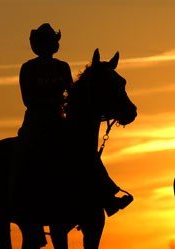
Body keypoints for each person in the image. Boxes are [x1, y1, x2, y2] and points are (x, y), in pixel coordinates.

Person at [9, 23, 132, 220]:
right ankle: (17, 202)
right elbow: (28, 99)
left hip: (59, 122)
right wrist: (53, 101)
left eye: (50, 42)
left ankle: (107, 196)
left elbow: (71, 93)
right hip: (36, 123)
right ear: (37, 45)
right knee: (24, 155)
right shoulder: (28, 68)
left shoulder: (62, 67)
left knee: (86, 152)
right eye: (44, 42)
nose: (48, 46)